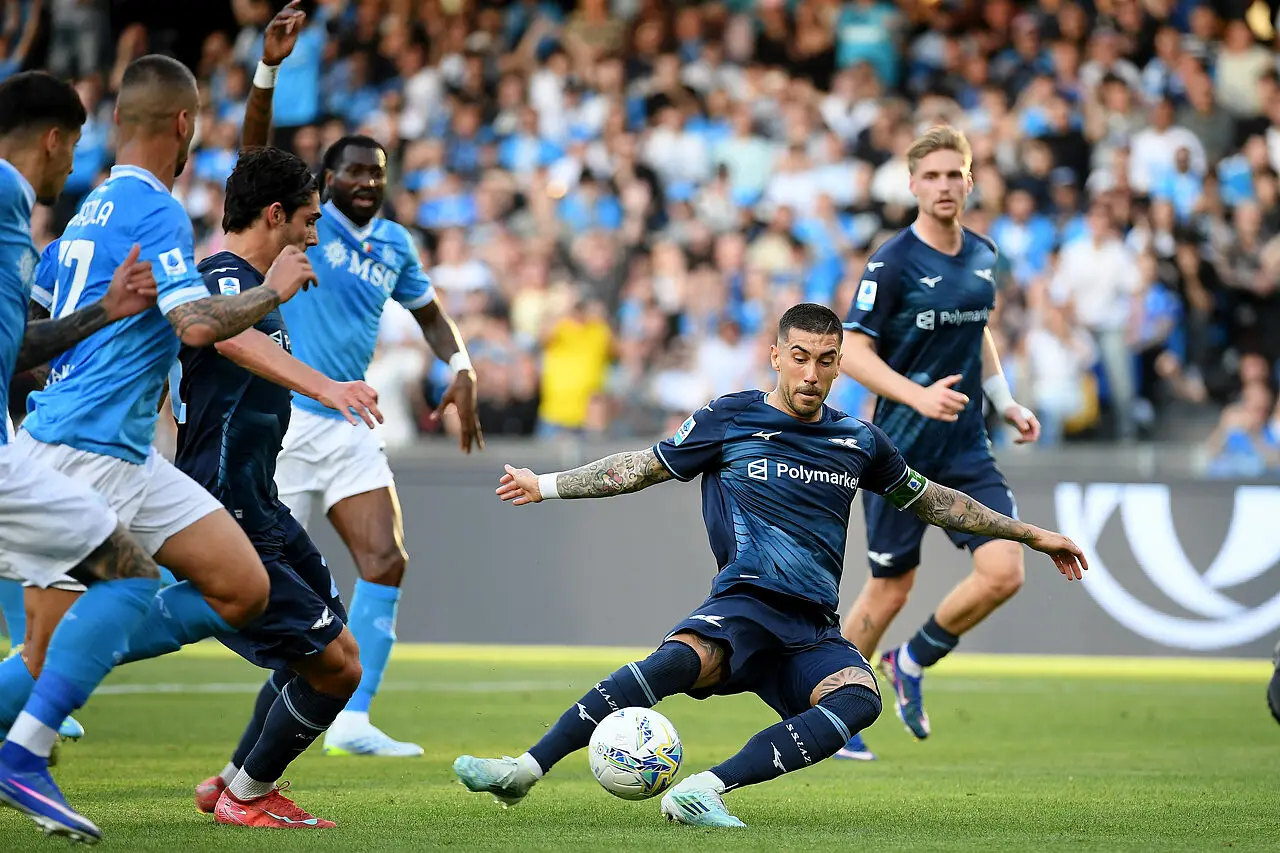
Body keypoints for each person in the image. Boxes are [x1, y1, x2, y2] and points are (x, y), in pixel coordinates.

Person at [454, 303, 1086, 828]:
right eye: (801, 357)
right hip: (746, 602)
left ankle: (702, 789)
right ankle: (525, 770)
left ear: (841, 365)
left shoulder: (858, 439)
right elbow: (640, 467)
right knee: (677, 662)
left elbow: (938, 501)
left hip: (811, 625)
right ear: (777, 355)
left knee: (860, 698)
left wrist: (1032, 534)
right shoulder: (731, 417)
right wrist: (548, 484)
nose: (812, 374)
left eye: (827, 360)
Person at [0, 55, 315, 840]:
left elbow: (28, 343)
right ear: (185, 124)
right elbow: (198, 326)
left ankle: (68, 663)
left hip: (126, 448)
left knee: (241, 584)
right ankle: (28, 740)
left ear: (115, 126)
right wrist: (273, 288)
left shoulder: (83, 213)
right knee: (68, 635)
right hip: (84, 447)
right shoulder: (155, 212)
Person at [242, 7, 484, 757]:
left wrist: (463, 366)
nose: (367, 183)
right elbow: (254, 158)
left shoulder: (395, 241)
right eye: (353, 171)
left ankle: (353, 719)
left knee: (386, 557)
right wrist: (269, 71)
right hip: (285, 415)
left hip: (348, 415)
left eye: (377, 173)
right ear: (324, 180)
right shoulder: (306, 223)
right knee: (252, 584)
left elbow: (434, 316)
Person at [171, 146, 382, 829]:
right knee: (337, 668)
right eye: (311, 219)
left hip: (260, 503)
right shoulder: (225, 281)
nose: (317, 235)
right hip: (222, 510)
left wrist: (266, 72)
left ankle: (232, 780)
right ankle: (250, 795)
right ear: (274, 215)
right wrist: (329, 386)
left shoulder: (252, 282)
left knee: (330, 647)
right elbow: (226, 341)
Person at [834, 125, 1042, 761]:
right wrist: (915, 395)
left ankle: (913, 659)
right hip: (899, 454)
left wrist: (1005, 402)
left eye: (956, 175)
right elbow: (850, 351)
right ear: (913, 185)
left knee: (1005, 570)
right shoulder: (891, 262)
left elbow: (976, 331)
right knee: (890, 587)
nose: (945, 186)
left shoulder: (983, 254)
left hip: (967, 450)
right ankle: (831, 710)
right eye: (933, 176)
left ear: (971, 182)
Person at [0, 70, 163, 844]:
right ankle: (23, 757)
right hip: (20, 453)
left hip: (26, 442)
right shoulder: (7, 194)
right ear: (57, 138)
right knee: (130, 575)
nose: (73, 168)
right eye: (73, 149)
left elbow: (20, 347)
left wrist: (104, 310)